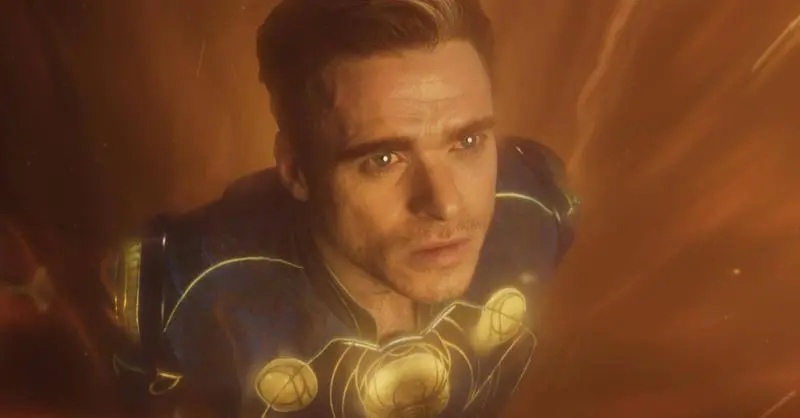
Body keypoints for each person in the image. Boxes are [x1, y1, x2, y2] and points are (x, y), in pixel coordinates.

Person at [102, 0, 579, 416]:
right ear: (296, 171)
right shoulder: (177, 292)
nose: (446, 204)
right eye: (383, 159)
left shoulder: (539, 205)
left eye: (467, 141)